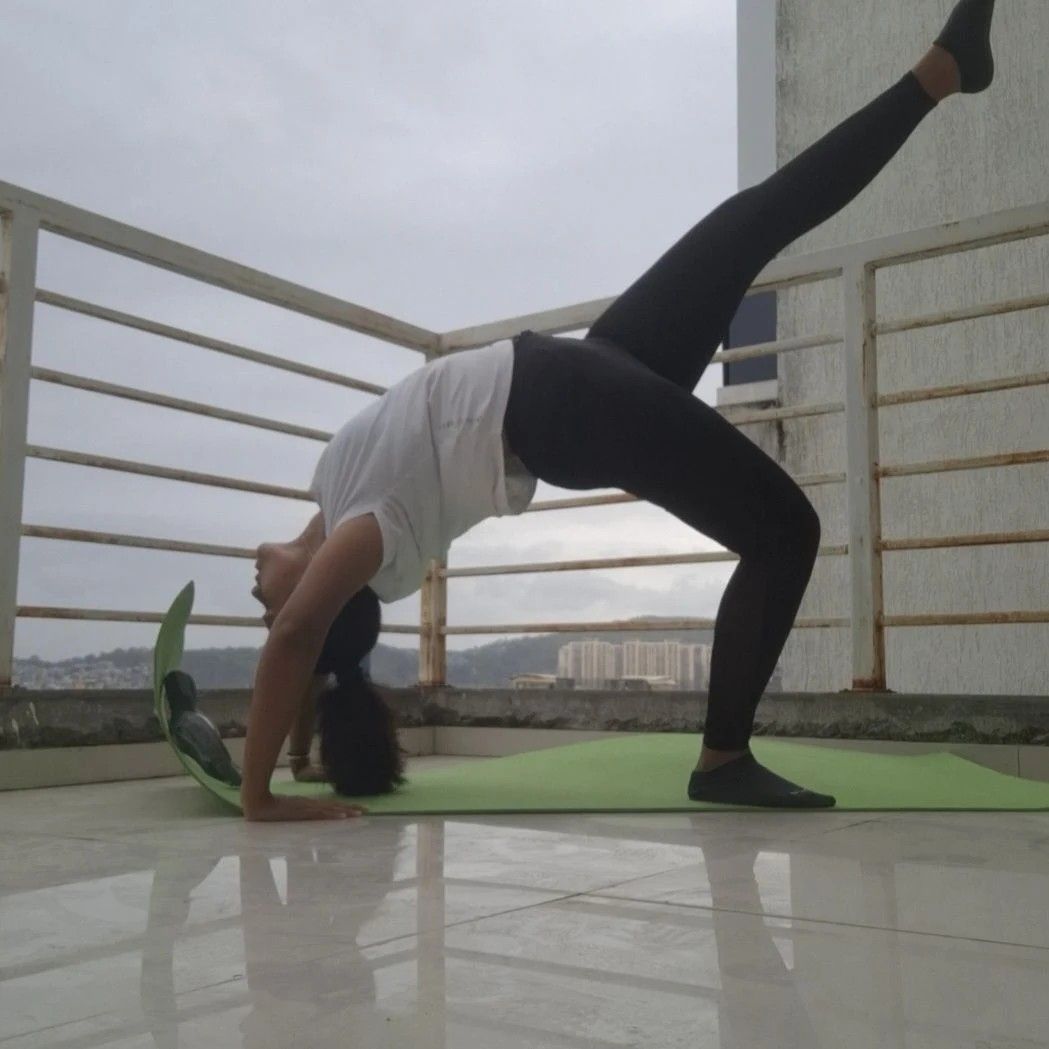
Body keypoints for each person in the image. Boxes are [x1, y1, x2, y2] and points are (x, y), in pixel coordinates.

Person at [243, 0, 998, 821]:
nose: (257, 587)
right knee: (786, 532)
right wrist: (259, 799)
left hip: (581, 367)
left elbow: (307, 644)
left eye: (262, 603)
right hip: (564, 408)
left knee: (753, 218)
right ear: (317, 595)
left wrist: (301, 757)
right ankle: (723, 756)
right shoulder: (372, 535)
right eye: (267, 605)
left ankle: (941, 71)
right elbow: (299, 638)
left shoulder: (332, 481)